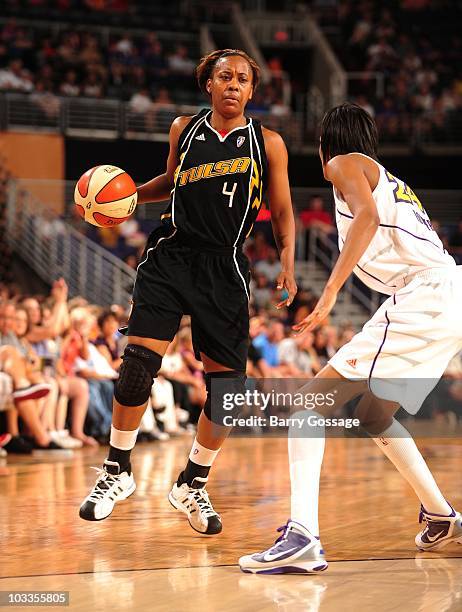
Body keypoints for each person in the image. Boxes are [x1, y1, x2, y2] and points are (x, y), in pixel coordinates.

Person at [79, 49, 297, 532]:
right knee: (137, 364)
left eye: (243, 79)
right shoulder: (185, 128)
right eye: (225, 77)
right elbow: (172, 181)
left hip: (225, 267)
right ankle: (116, 469)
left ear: (253, 90)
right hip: (171, 256)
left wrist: (286, 259)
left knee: (228, 392)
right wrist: (127, 194)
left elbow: (282, 209)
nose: (233, 85)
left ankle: (192, 484)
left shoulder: (270, 143)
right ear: (209, 84)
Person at [239, 102, 462, 574]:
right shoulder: (383, 177)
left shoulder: (344, 163)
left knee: (308, 406)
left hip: (426, 296)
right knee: (374, 413)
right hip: (444, 297)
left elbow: (366, 220)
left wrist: (330, 293)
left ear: (326, 145)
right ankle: (441, 514)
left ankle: (301, 534)